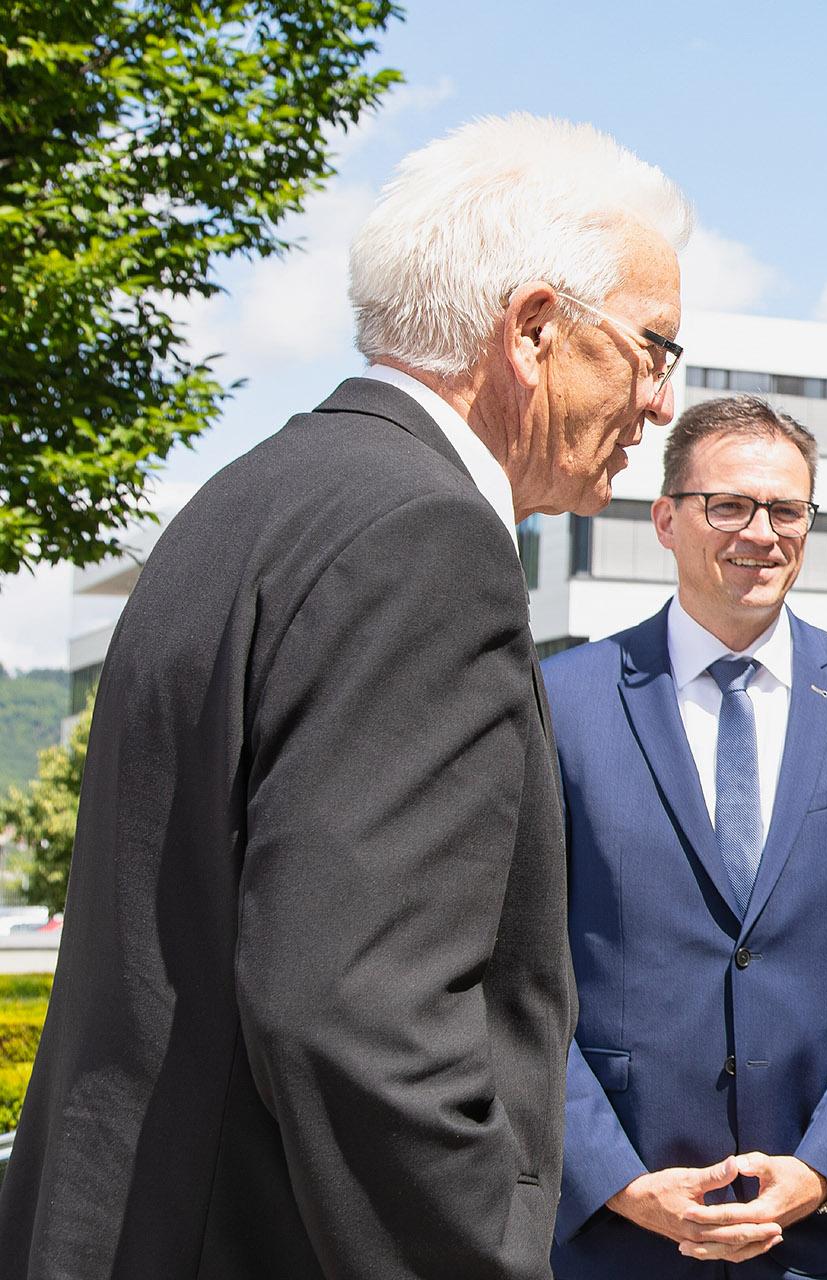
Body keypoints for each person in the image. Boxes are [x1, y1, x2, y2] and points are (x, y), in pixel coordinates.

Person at [0, 115, 690, 1279]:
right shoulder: (424, 541)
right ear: (532, 330)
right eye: (655, 347)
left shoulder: (256, 495)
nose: (664, 402)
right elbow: (362, 1019)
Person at [542, 394, 827, 1280]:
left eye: (787, 509)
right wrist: (613, 1180)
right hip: (621, 1235)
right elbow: (519, 970)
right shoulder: (561, 703)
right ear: (664, 519)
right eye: (726, 505)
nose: (760, 532)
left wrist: (826, 1168)